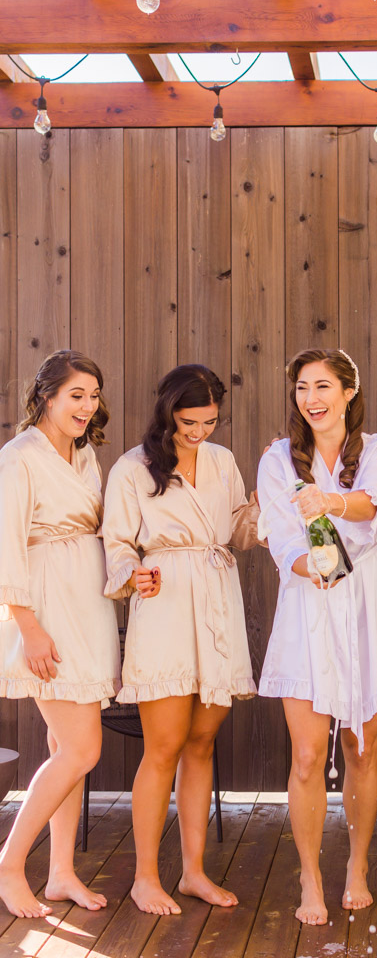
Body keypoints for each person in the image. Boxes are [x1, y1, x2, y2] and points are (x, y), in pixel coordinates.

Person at [257, 348, 377, 926]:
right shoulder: (277, 458)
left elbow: (370, 504)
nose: (312, 398)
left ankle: (357, 865)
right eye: (302, 387)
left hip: (367, 600)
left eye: (323, 386)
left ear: (349, 391)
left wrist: (328, 501)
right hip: (306, 601)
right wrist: (313, 569)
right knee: (306, 756)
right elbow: (281, 536)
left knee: (361, 749)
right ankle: (310, 876)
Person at [103, 364, 260, 917]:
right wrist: (132, 575)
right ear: (168, 412)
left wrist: (261, 509)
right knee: (163, 747)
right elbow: (117, 544)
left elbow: (239, 533)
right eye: (189, 422)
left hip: (217, 600)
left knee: (201, 743)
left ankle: (193, 873)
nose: (198, 432)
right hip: (165, 602)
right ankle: (146, 878)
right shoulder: (133, 468)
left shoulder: (222, 461)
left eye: (209, 422)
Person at [0, 349, 121, 918]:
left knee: (62, 748)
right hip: (46, 609)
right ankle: (9, 865)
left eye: (93, 396)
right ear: (46, 396)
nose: (87, 406)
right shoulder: (18, 457)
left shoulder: (85, 454)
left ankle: (60, 872)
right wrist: (29, 627)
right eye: (76, 395)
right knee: (81, 748)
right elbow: (5, 547)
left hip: (87, 605)